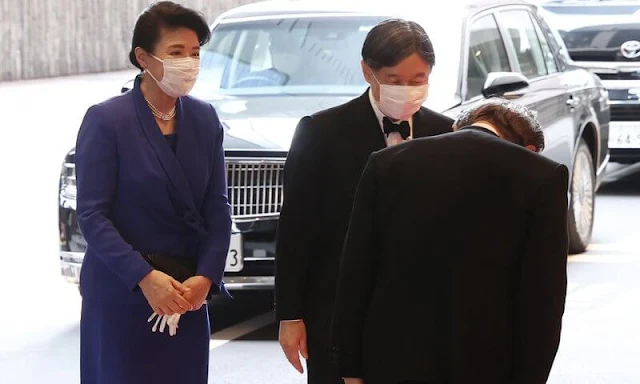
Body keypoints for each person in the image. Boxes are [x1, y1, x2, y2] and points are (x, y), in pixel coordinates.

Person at [331, 100, 569, 384]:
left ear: (458, 126)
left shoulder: (386, 163)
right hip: (488, 361)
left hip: (391, 357)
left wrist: (350, 367)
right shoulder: (542, 175)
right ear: (529, 148)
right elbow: (544, 298)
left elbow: (355, 271)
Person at [274, 18, 453, 383]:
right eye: (394, 80)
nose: (407, 90)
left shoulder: (447, 133)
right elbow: (295, 230)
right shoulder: (322, 132)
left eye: (418, 80)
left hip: (421, 314)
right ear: (367, 72)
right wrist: (290, 316)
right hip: (338, 312)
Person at [75, 2, 231, 383]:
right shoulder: (107, 120)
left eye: (195, 53)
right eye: (176, 53)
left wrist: (206, 276)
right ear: (143, 57)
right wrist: (145, 277)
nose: (189, 63)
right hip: (124, 291)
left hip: (185, 293)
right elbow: (93, 216)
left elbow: (217, 207)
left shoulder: (204, 118)